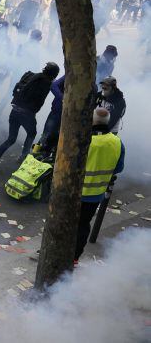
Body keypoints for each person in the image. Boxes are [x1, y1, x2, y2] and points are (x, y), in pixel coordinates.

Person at [75, 108, 125, 262]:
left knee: (64, 222)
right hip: (96, 194)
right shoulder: (117, 142)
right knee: (83, 225)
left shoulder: (84, 140)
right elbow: (119, 168)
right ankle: (75, 257)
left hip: (73, 192)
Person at [0, 62, 60, 171]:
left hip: (15, 110)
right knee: (32, 133)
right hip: (27, 114)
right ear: (54, 74)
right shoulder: (46, 82)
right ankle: (23, 156)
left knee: (11, 138)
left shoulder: (33, 76)